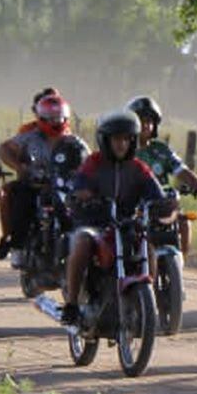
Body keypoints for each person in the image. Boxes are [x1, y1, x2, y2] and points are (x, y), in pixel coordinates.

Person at [60, 110, 166, 327]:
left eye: (127, 139)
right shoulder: (93, 162)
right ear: (105, 140)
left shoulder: (139, 168)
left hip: (126, 224)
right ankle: (71, 304)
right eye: (117, 139)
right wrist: (84, 196)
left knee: (150, 246)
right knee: (82, 242)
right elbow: (78, 187)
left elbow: (158, 196)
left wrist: (165, 207)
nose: (122, 144)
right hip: (94, 224)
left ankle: (148, 302)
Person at [0, 90, 85, 263]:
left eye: (59, 118)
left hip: (63, 187)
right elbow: (4, 148)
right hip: (35, 185)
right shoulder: (30, 137)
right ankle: (18, 245)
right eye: (51, 119)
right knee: (21, 199)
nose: (56, 123)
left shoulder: (73, 141)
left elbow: (89, 161)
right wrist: (20, 167)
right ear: (41, 117)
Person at [124, 95, 197, 254]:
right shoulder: (123, 150)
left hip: (162, 206)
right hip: (134, 208)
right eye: (141, 120)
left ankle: (179, 267)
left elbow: (182, 170)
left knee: (184, 222)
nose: (145, 125)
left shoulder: (162, 150)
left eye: (149, 121)